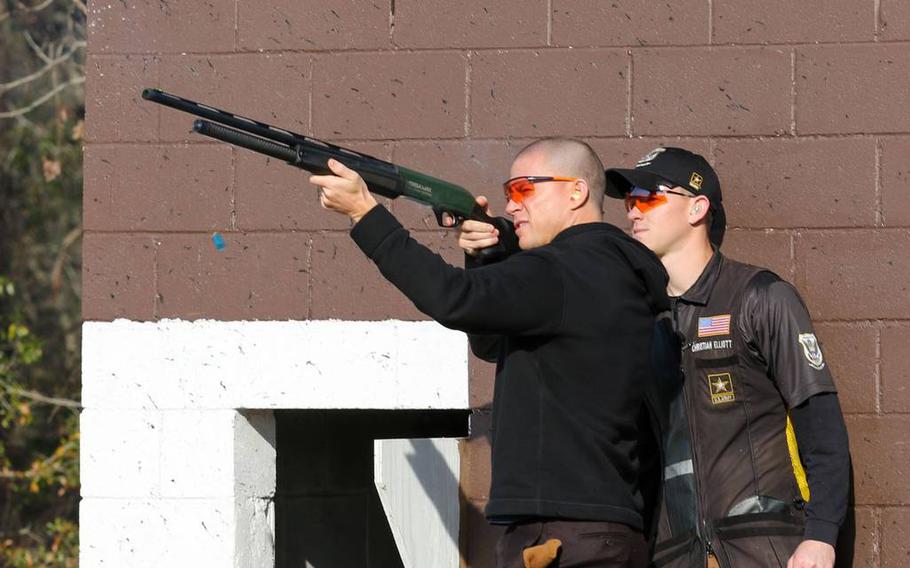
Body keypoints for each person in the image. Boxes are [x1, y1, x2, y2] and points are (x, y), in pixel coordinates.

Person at [310, 137, 671, 567]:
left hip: (563, 538)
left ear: (576, 192)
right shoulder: (601, 270)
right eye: (508, 193)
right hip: (590, 531)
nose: (513, 205)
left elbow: (452, 298)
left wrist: (365, 215)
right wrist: (486, 258)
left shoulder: (562, 270)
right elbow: (489, 340)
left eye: (524, 190)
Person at [601, 147, 851, 568]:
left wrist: (821, 536)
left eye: (648, 196)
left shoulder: (759, 298)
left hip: (766, 549)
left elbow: (821, 424)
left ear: (697, 208)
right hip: (675, 554)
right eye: (629, 200)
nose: (633, 212)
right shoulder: (637, 318)